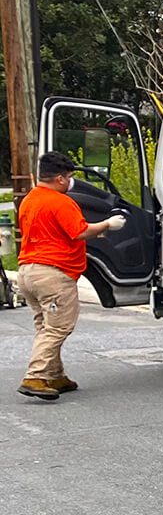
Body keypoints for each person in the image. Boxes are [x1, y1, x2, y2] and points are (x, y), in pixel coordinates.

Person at [15, 151, 124, 401]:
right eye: (70, 177)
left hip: (28, 271)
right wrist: (108, 224)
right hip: (53, 274)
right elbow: (79, 231)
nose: (71, 182)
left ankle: (55, 375)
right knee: (58, 327)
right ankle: (35, 376)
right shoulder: (60, 202)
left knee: (45, 326)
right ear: (61, 179)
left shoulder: (30, 200)